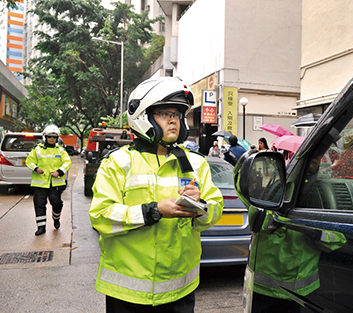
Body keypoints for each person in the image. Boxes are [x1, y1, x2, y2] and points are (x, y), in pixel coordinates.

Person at [89, 77, 223, 312]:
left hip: (179, 291)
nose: (174, 120)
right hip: (128, 294)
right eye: (164, 113)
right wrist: (154, 211)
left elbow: (214, 212)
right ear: (142, 116)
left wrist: (199, 205)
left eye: (177, 114)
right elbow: (101, 216)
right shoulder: (118, 163)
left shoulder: (196, 164)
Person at [26, 124, 72, 236]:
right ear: (45, 137)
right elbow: (29, 161)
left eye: (54, 137)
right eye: (50, 136)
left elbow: (67, 163)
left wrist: (59, 172)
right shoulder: (37, 150)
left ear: (57, 138)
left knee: (56, 203)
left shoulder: (60, 150)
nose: (52, 139)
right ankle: (41, 227)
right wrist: (36, 168)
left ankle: (56, 218)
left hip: (55, 183)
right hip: (40, 184)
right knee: (39, 204)